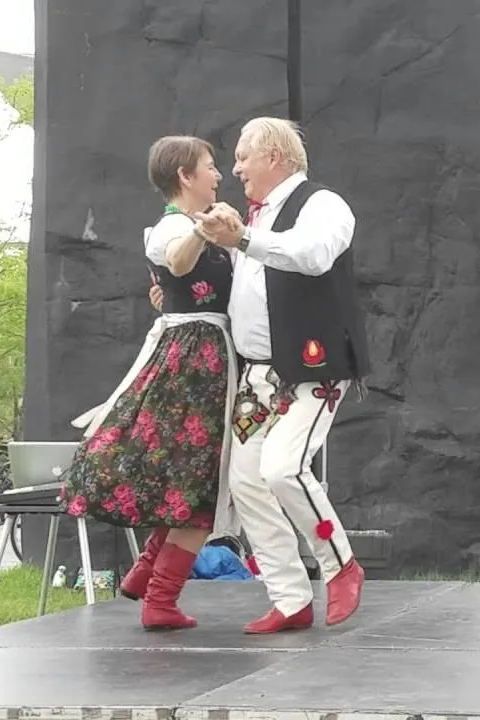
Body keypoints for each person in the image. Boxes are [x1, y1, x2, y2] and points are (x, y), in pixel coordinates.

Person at [193, 117, 371, 635]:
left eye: (244, 156)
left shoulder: (323, 205)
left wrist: (244, 239)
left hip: (311, 371)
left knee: (283, 469)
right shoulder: (255, 217)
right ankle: (291, 597)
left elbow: (313, 257)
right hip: (259, 379)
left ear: (274, 156)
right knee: (246, 480)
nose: (236, 167)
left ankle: (340, 563)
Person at [61, 135, 237, 630]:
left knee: (191, 477)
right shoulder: (171, 229)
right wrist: (205, 231)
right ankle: (159, 599)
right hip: (193, 365)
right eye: (209, 166)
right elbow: (178, 262)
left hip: (206, 358)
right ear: (185, 176)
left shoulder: (195, 229)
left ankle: (145, 577)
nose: (218, 174)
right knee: (197, 480)